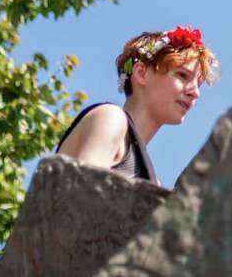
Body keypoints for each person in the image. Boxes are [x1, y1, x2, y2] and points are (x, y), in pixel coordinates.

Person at [56, 25, 218, 186]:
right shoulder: (110, 118)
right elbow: (80, 198)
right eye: (182, 75)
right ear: (141, 73)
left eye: (199, 84)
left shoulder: (154, 183)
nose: (195, 92)